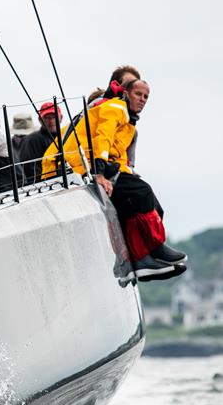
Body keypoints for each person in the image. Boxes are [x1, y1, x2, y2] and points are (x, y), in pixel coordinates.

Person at [45, 79, 186, 279]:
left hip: (83, 161)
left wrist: (128, 172)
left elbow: (118, 156)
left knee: (137, 197)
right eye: (138, 94)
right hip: (70, 163)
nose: (143, 99)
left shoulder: (129, 122)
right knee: (141, 192)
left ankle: (137, 260)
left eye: (146, 97)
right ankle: (153, 248)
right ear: (126, 93)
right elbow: (103, 138)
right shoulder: (115, 108)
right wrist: (99, 174)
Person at [17, 101, 61, 185]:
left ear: (61, 117)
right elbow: (29, 170)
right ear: (40, 120)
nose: (51, 121)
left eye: (54, 117)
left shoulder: (65, 137)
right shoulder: (31, 140)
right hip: (45, 187)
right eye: (47, 118)